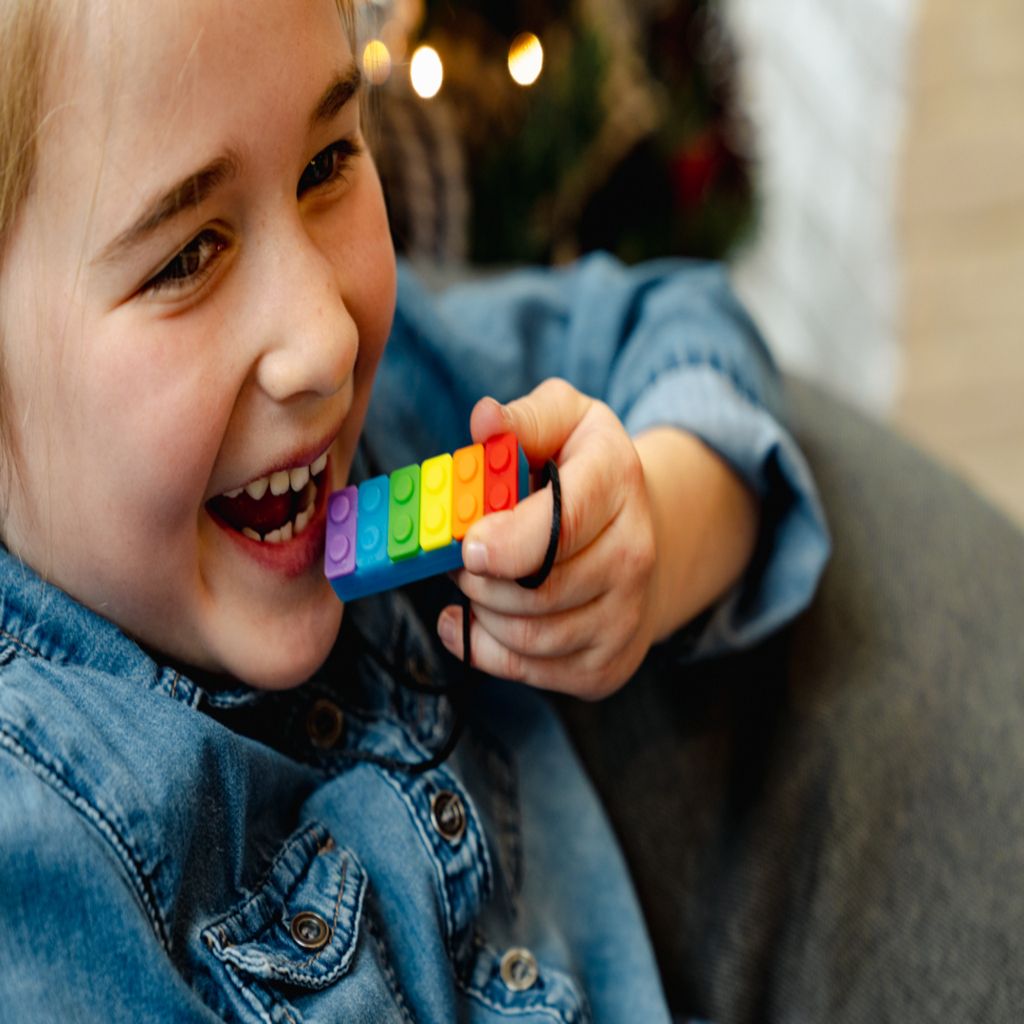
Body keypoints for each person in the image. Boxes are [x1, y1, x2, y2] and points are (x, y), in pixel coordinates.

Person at [0, 1, 827, 1020]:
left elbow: (683, 324)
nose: (326, 340)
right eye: (184, 257)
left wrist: (649, 540)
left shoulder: (400, 410)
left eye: (324, 168)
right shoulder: (36, 858)